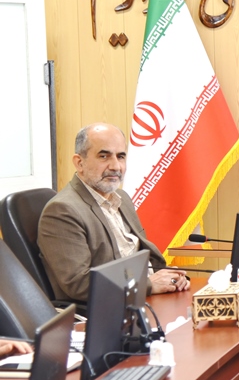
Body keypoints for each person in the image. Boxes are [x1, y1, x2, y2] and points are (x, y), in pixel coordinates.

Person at [37, 123, 190, 303]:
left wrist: (171, 277)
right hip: (112, 307)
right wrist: (148, 284)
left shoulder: (122, 198)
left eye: (121, 156)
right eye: (104, 156)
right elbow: (79, 284)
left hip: (145, 297)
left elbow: (142, 254)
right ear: (80, 163)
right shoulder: (62, 211)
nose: (116, 166)